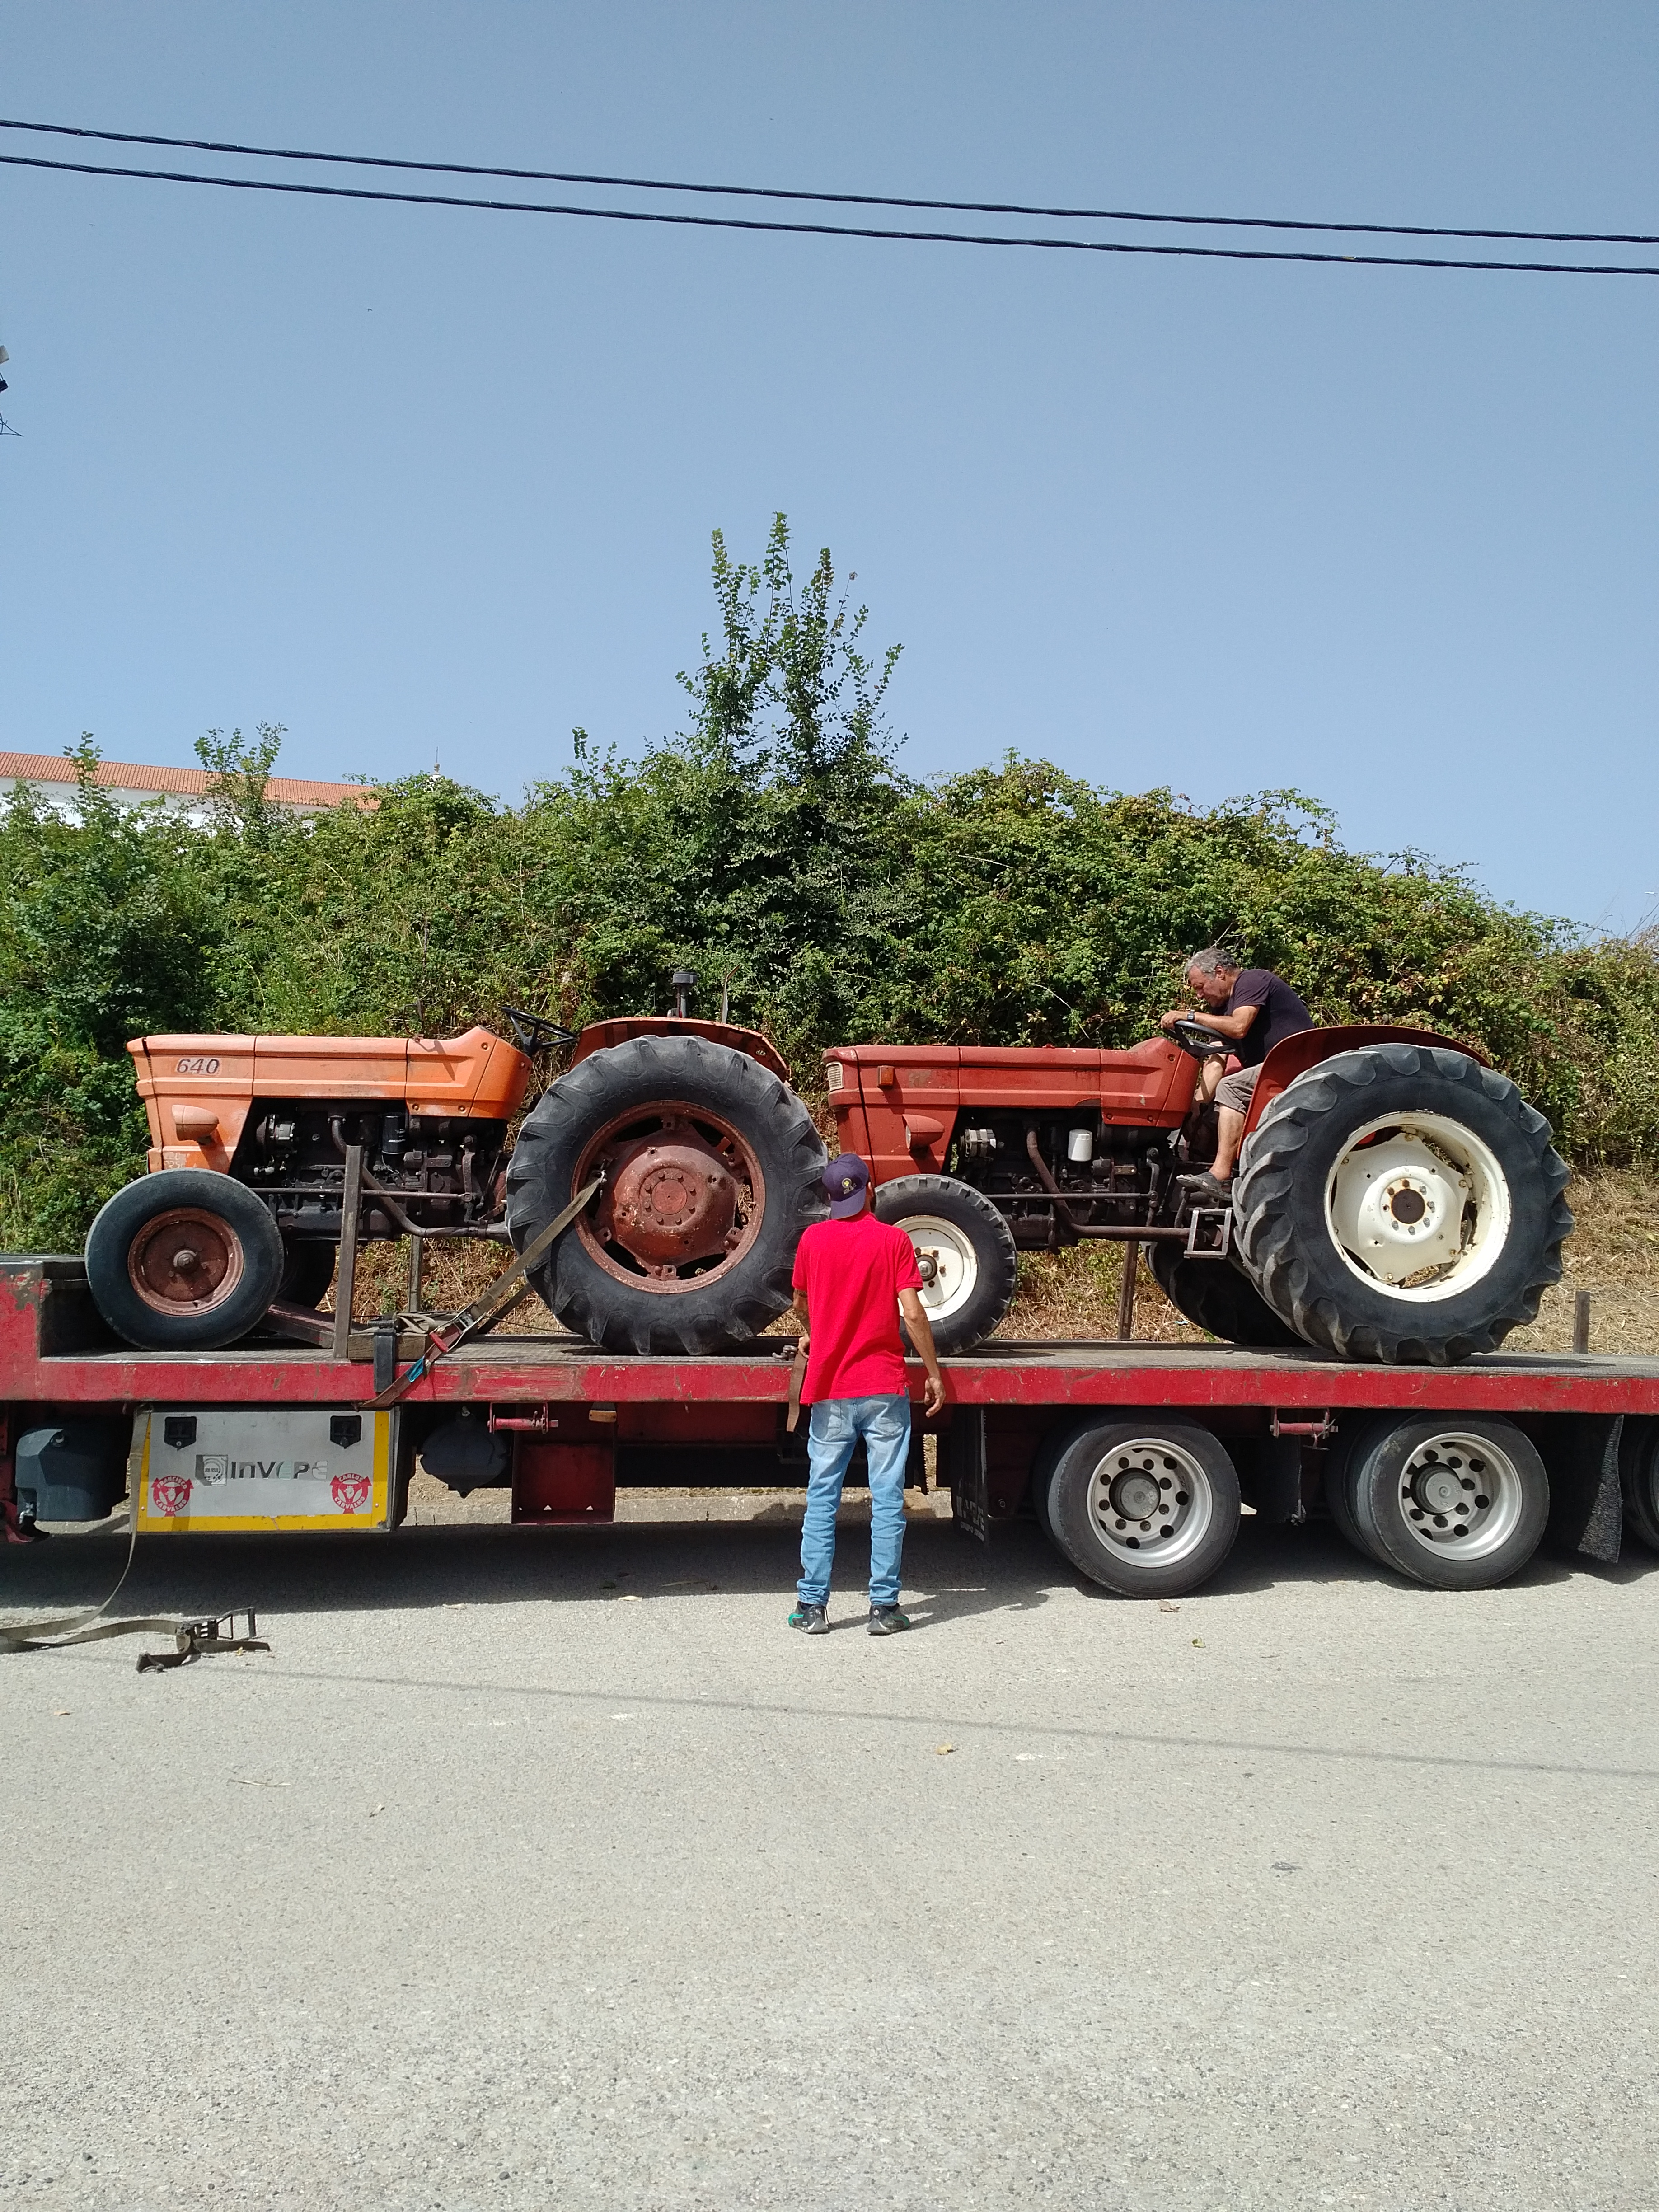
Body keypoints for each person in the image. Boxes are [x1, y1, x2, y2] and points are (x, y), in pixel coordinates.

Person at [787, 1153, 947, 1637]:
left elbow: (799, 1301)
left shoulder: (813, 1240)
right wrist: (935, 1373)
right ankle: (884, 1608)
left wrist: (816, 1331)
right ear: (870, 1190)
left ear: (832, 1198)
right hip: (883, 1388)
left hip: (831, 1387)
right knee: (887, 1498)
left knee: (822, 1498)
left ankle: (812, 1608)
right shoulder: (894, 1241)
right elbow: (914, 1314)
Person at [1160, 949, 1312, 1200]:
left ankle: (1220, 1175)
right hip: (1267, 1071)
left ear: (1219, 973)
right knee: (1204, 1107)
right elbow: (1216, 1058)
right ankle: (1196, 1167)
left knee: (1231, 1087)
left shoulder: (1252, 981)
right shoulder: (1221, 1010)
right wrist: (1196, 1106)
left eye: (1200, 987)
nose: (1199, 995)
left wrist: (1188, 1015)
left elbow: (1239, 1027)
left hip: (1294, 1064)